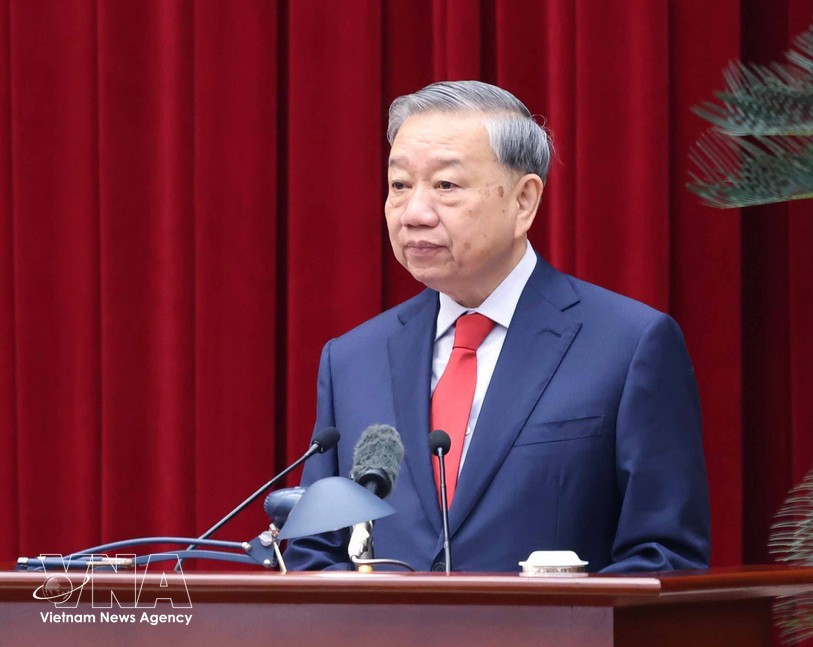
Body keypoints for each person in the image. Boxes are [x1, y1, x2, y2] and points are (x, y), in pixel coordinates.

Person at [284, 81, 710, 573]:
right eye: (399, 185)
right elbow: (316, 555)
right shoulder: (353, 360)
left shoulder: (630, 346)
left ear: (523, 201)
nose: (414, 213)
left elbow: (665, 557)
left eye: (446, 186)